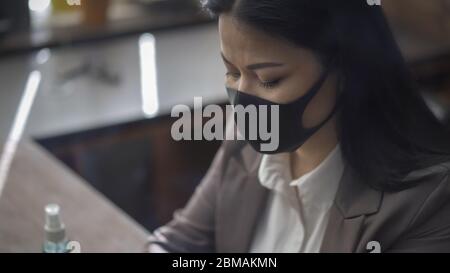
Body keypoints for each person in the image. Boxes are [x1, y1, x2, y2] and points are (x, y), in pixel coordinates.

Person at [147, 0, 450, 253]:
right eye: (232, 72)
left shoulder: (426, 202)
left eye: (269, 80)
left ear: (344, 67)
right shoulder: (244, 141)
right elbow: (178, 243)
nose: (243, 100)